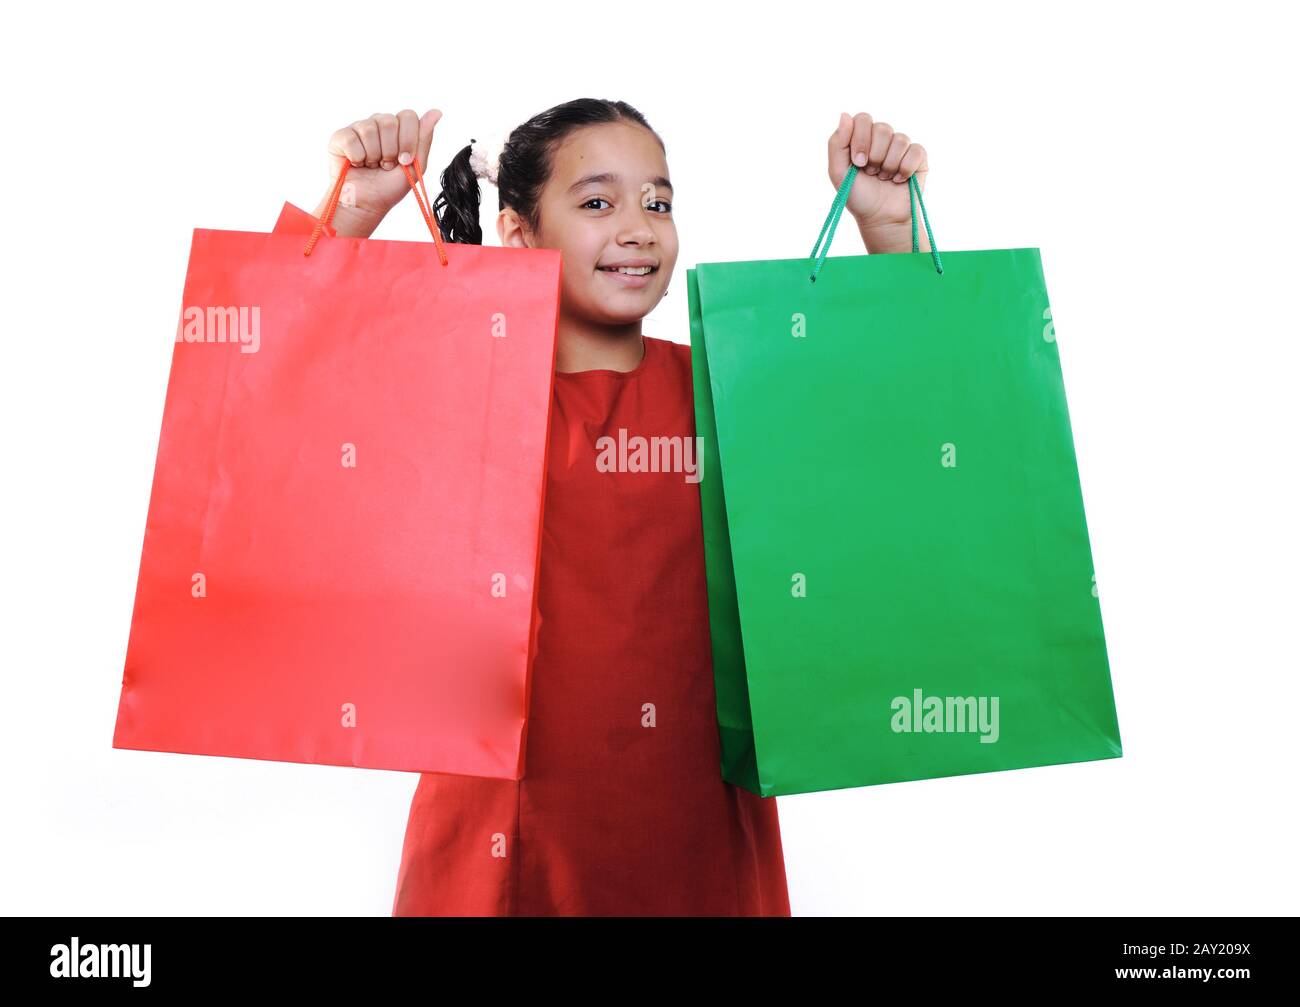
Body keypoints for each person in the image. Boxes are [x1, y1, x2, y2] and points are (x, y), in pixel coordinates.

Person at [310, 100, 932, 916]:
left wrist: (892, 232)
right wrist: (352, 212)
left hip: (696, 830)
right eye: (598, 202)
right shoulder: (462, 386)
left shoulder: (733, 390)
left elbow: (916, 428)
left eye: (659, 202)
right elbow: (285, 390)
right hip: (502, 833)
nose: (639, 228)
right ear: (519, 233)